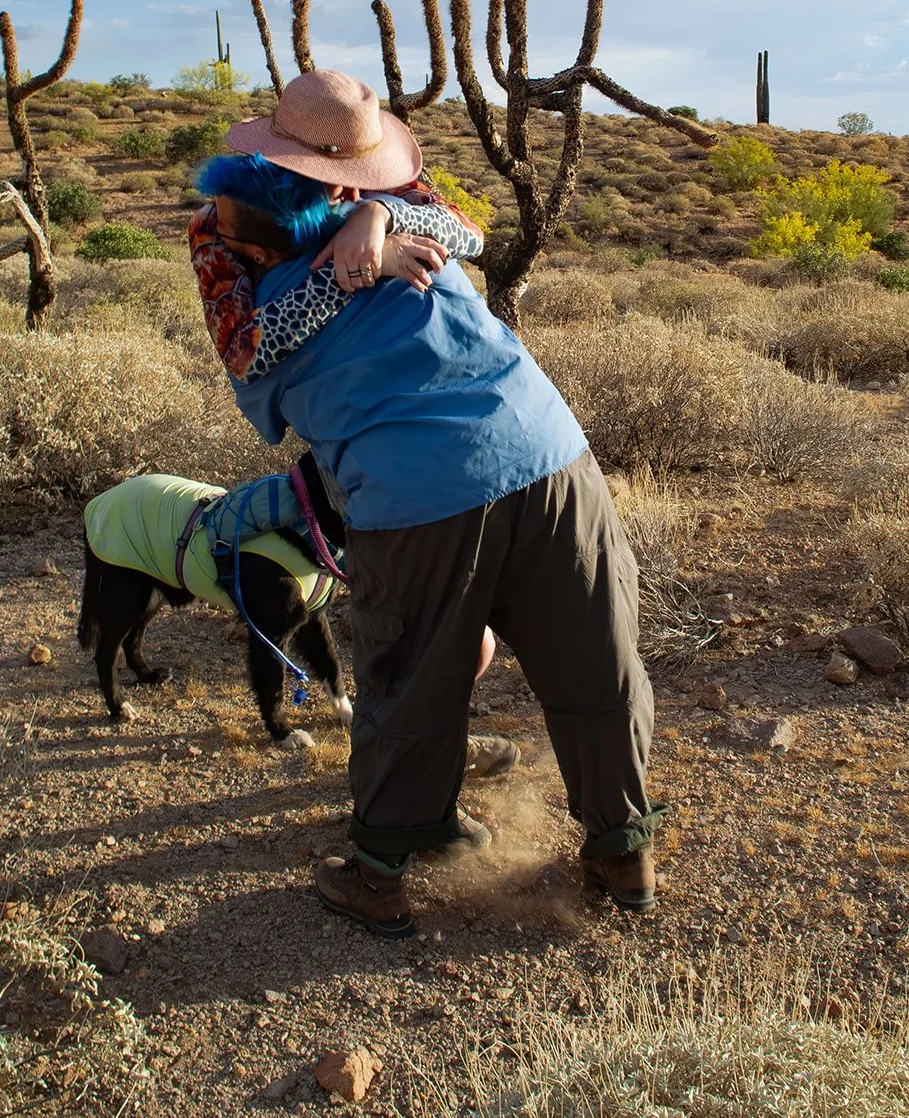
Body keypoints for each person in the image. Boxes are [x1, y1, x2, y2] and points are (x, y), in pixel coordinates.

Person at [191, 69, 665, 937]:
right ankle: (614, 848)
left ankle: (386, 873)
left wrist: (380, 220)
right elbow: (252, 343)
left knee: (415, 675)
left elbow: (460, 231)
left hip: (440, 486)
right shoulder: (242, 235)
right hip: (543, 451)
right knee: (591, 654)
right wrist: (348, 273)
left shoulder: (367, 209)